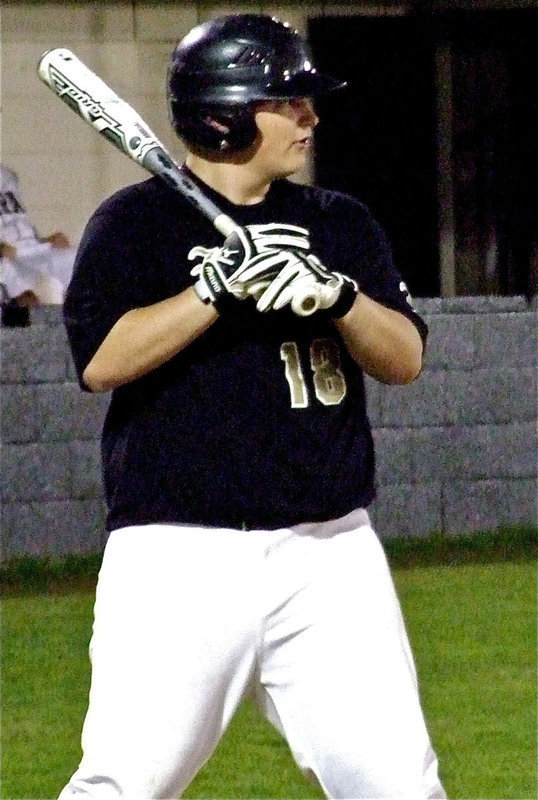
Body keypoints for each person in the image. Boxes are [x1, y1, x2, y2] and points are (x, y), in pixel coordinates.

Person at [59, 14, 446, 800]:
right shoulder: (135, 225)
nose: (310, 115)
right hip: (179, 558)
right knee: (124, 784)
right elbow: (102, 362)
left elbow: (404, 357)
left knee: (400, 788)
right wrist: (212, 290)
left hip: (331, 556)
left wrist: (337, 296)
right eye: (288, 100)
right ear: (225, 112)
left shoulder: (337, 223)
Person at [0, 164, 76, 324]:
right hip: (7, 263)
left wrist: (45, 241)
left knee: (78, 261)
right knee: (44, 290)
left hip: (25, 254)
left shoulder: (6, 175)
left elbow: (16, 225)